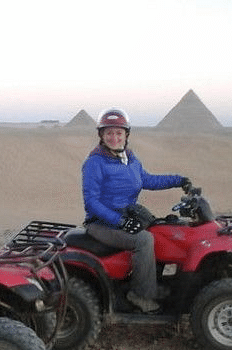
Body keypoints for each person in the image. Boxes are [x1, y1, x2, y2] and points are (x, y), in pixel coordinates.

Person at [81, 107, 191, 312]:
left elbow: (147, 179)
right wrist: (119, 221)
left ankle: (150, 285)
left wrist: (179, 180)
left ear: (126, 134)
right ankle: (139, 295)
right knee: (144, 240)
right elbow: (91, 203)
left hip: (126, 214)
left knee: (160, 231)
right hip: (101, 223)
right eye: (109, 133)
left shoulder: (130, 159)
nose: (114, 137)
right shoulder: (95, 163)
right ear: (101, 135)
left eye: (118, 133)